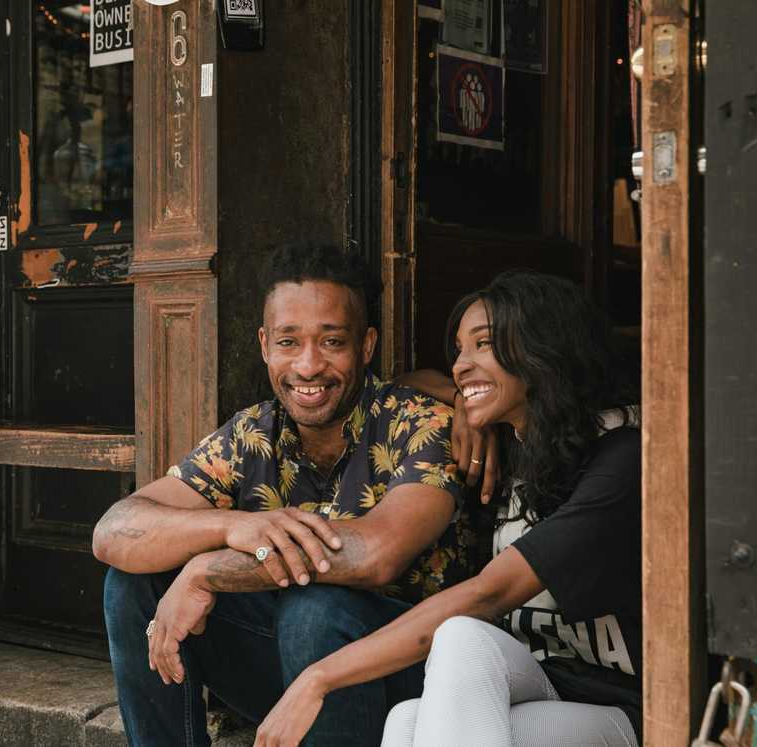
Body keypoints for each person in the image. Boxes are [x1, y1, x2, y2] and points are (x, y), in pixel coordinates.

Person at [93, 243, 480, 746]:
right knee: (133, 584)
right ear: (264, 345)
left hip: (414, 681)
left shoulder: (421, 423)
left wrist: (206, 569)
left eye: (332, 342)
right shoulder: (253, 433)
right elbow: (114, 530)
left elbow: (376, 553)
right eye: (288, 342)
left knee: (314, 609)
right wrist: (233, 526)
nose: (308, 366)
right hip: (296, 677)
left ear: (366, 345)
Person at [254, 270, 642, 747]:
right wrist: (461, 401)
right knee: (406, 719)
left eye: (484, 344)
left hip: (625, 706)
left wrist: (318, 678)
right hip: (543, 681)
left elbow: (489, 595)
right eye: (460, 349)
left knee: (462, 637)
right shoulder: (517, 443)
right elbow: (409, 381)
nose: (462, 364)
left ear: (544, 348)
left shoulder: (622, 460)